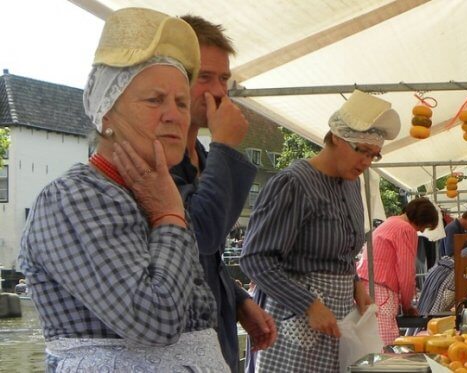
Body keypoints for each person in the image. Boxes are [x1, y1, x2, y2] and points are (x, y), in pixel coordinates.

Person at [17, 8, 227, 370]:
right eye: (154, 100)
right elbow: (154, 320)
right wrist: (168, 217)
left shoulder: (151, 189)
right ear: (106, 116)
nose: (175, 115)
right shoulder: (72, 198)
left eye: (180, 102)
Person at [240, 90, 397, 371]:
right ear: (336, 138)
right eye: (362, 151)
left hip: (338, 317)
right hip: (294, 319)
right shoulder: (294, 184)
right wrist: (308, 305)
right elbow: (255, 258)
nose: (367, 162)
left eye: (374, 156)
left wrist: (355, 284)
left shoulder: (351, 185)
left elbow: (344, 253)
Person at [174, 15, 275, 370]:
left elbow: (206, 259)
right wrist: (226, 146)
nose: (218, 91)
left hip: (216, 345)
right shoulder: (155, 164)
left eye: (223, 79)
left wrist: (237, 300)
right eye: (204, 77)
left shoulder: (201, 157)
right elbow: (200, 236)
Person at [356, 197, 438, 345]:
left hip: (365, 287)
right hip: (381, 290)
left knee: (370, 341)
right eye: (425, 226)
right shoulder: (405, 229)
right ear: (421, 219)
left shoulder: (390, 222)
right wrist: (407, 305)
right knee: (386, 346)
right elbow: (406, 272)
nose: (421, 231)